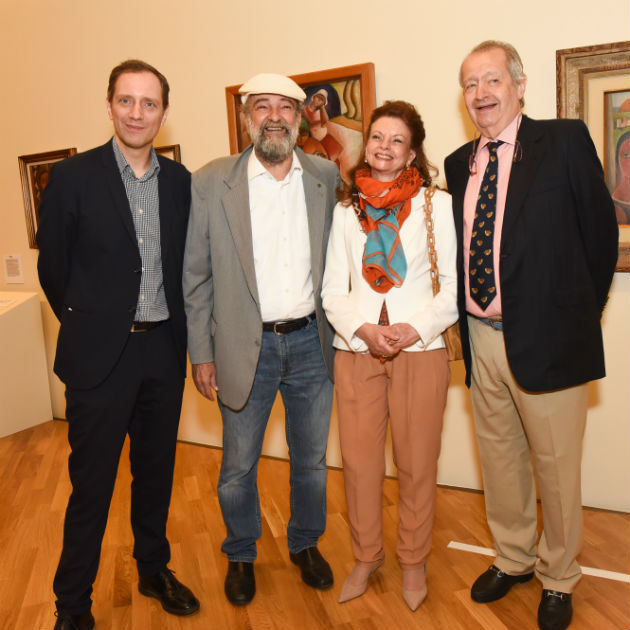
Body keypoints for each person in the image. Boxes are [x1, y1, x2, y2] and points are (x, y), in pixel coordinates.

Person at [444, 41, 618, 630]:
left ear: (519, 86)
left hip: (550, 337)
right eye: (470, 84)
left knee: (556, 468)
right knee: (500, 461)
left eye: (492, 80)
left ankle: (559, 576)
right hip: (480, 336)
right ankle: (513, 557)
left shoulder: (563, 141)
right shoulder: (457, 163)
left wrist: (576, 317)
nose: (481, 94)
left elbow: (600, 237)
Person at [37, 59, 199, 630]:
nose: (136, 113)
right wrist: (95, 324)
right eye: (126, 100)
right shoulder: (71, 178)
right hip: (99, 360)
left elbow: (185, 268)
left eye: (149, 103)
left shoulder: (180, 183)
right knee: (92, 488)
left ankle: (153, 570)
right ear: (109, 105)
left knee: (155, 476)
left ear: (163, 112)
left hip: (162, 353)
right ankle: (72, 605)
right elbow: (54, 272)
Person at [183, 73, 340, 606]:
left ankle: (306, 544)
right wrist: (201, 353)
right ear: (246, 117)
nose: (274, 117)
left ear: (299, 117)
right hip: (243, 348)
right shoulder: (210, 181)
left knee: (312, 460)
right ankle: (241, 553)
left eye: (285, 107)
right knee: (238, 466)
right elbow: (196, 277)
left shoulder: (324, 176)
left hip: (312, 345)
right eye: (261, 107)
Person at [322, 100, 458, 611]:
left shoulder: (437, 205)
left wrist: (409, 329)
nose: (385, 146)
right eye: (378, 136)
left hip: (419, 350)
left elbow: (452, 289)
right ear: (367, 144)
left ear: (412, 153)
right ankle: (366, 557)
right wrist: (364, 330)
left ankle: (414, 561)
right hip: (357, 351)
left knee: (417, 464)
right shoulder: (345, 211)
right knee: (359, 465)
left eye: (397, 140)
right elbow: (332, 290)